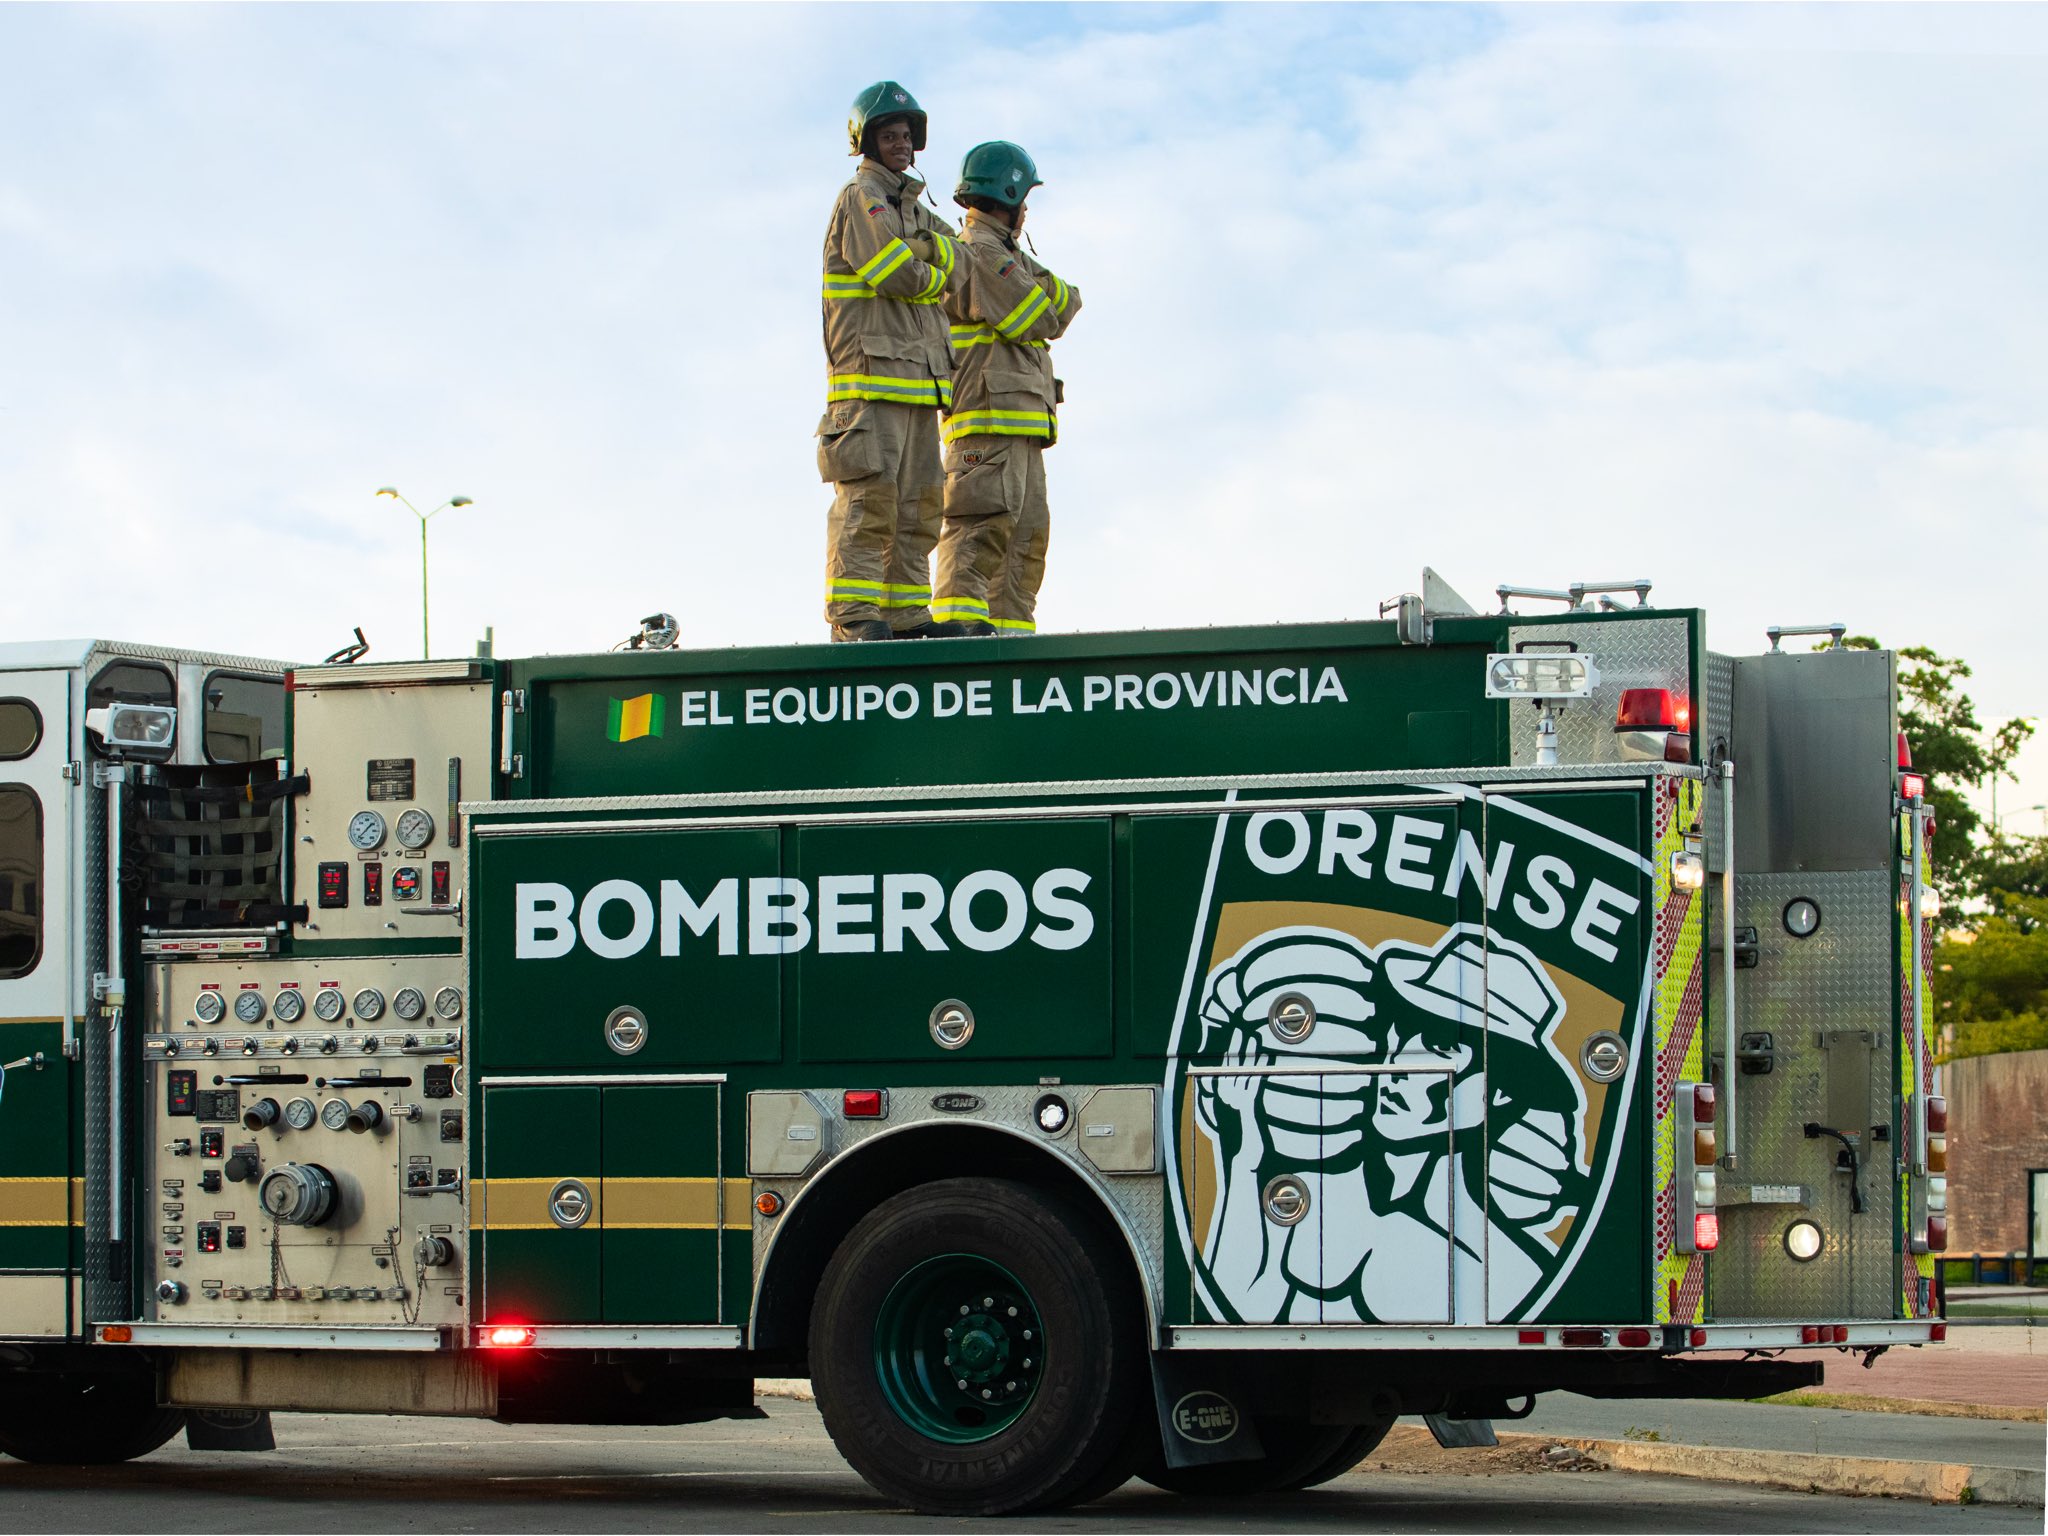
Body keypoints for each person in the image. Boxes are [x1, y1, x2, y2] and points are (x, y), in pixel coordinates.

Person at [817, 81, 959, 642]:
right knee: (867, 503)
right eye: (890, 135)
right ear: (867, 141)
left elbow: (964, 256)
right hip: (870, 383)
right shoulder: (860, 199)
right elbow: (894, 271)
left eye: (906, 135)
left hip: (920, 386)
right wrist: (929, 266)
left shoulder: (914, 210)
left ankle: (905, 615)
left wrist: (928, 255)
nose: (902, 144)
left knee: (918, 507)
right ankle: (855, 618)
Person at [929, 142, 1081, 637]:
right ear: (1010, 195)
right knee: (979, 533)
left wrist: (1041, 292)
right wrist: (1042, 296)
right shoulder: (979, 252)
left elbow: (1069, 298)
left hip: (1021, 424)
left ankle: (1011, 646)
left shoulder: (1005, 254)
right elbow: (1039, 313)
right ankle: (959, 642)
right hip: (985, 419)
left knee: (1024, 543)